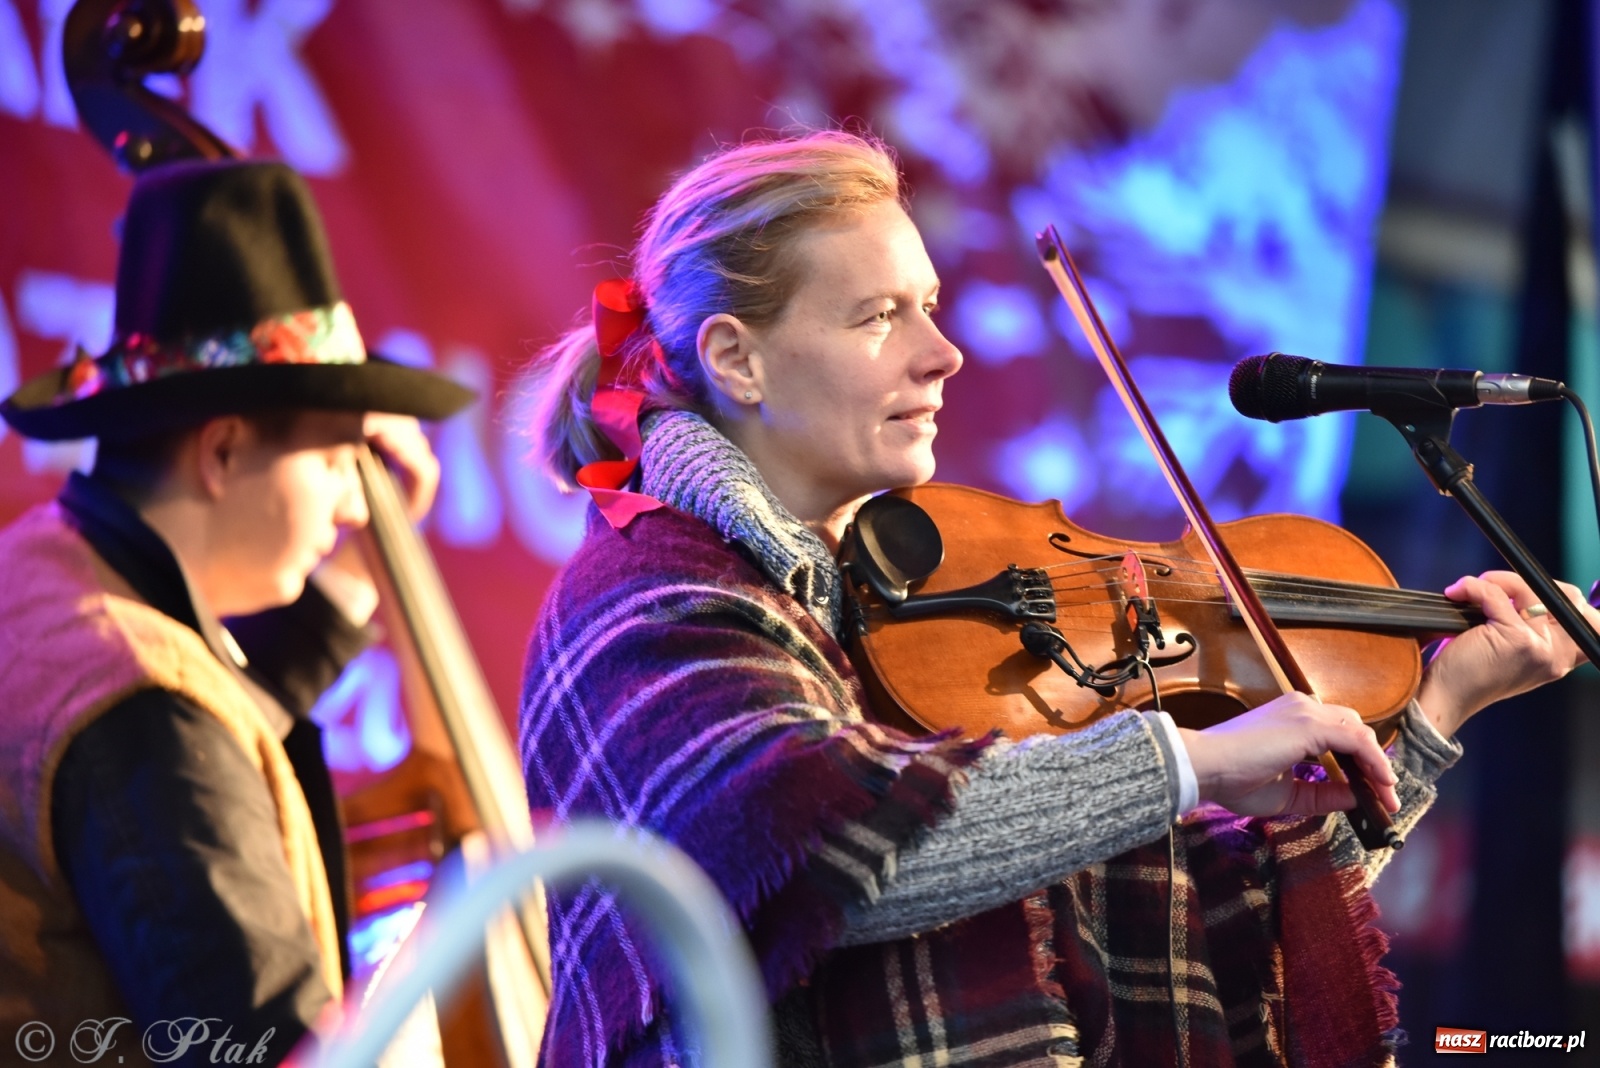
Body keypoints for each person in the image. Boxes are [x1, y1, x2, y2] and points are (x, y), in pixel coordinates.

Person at [517, 130, 1597, 1068]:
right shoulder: (646, 601)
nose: (941, 354)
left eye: (930, 306)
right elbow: (826, 853)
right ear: (734, 359)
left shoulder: (889, 600)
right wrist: (1191, 760)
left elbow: (1213, 929)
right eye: (877, 316)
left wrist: (1436, 709)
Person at [0, 160, 473, 1066]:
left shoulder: (49, 576)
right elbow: (262, 1046)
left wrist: (359, 576)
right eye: (339, 462)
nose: (352, 507)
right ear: (221, 451)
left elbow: (214, 706)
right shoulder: (142, 705)